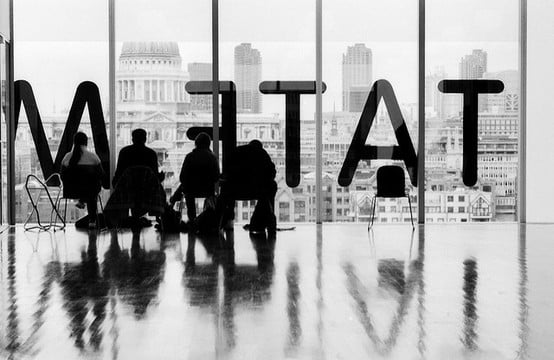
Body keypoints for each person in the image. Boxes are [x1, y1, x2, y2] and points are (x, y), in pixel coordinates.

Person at [218, 139, 277, 232]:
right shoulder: (262, 153)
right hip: (257, 189)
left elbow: (227, 173)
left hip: (234, 189)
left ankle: (226, 219)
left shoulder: (236, 152)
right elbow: (271, 174)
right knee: (272, 187)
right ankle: (263, 222)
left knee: (226, 189)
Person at [170, 132, 220, 222]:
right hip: (208, 189)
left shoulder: (190, 157)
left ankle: (189, 217)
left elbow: (182, 178)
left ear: (196, 143)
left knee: (185, 189)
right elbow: (216, 177)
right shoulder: (213, 158)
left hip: (191, 189)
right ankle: (205, 219)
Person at [60, 131, 104, 228]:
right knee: (93, 188)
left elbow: (62, 176)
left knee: (89, 189)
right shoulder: (93, 157)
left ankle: (82, 200)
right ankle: (92, 221)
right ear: (86, 142)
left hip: (71, 191)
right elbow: (101, 175)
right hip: (90, 192)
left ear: (74, 142)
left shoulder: (67, 157)